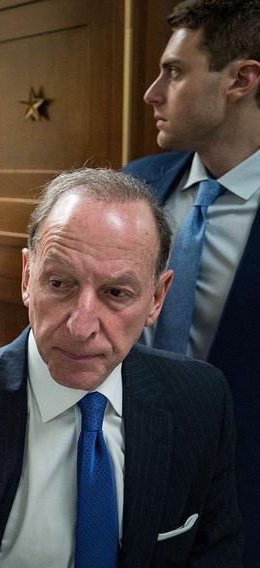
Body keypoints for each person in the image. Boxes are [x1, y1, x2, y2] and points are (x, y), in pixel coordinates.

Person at [0, 169, 241, 566]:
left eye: (116, 293)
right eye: (59, 284)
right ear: (27, 277)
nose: (81, 326)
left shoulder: (202, 400)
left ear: (157, 298)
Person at [123, 0, 260, 556]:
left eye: (175, 72)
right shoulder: (137, 184)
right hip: (125, 466)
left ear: (241, 80)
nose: (153, 92)